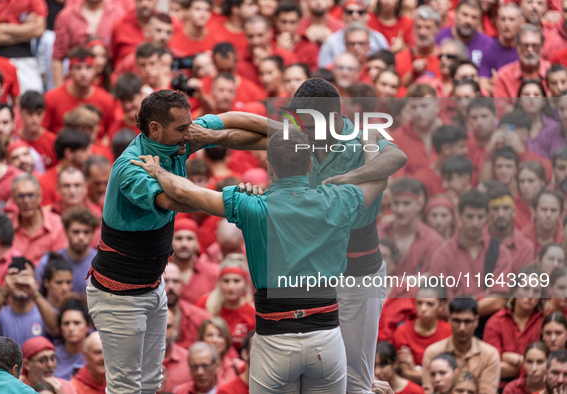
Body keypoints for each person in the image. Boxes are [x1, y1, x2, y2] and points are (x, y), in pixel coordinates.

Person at [133, 77, 407, 393]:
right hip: (318, 278)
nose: (295, 126)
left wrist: (350, 177)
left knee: (358, 381)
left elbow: (395, 159)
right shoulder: (300, 135)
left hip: (359, 268)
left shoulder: (364, 136)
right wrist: (211, 136)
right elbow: (250, 134)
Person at [86, 89, 274, 394]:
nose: (191, 132)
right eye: (183, 128)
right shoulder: (131, 167)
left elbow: (234, 121)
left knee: (151, 382)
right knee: (125, 387)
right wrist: (240, 203)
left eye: (190, 124)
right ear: (155, 129)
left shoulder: (178, 136)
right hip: (118, 295)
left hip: (152, 284)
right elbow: (179, 199)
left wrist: (289, 136)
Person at [422, 298, 501, 394]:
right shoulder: (433, 352)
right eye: (456, 321)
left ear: (476, 321)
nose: (462, 328)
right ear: (449, 319)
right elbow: (429, 391)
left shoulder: (489, 355)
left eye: (467, 322)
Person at [0, 261, 60, 346]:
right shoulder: (0, 313)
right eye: (15, 278)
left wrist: (34, 293)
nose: (21, 282)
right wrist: (5, 291)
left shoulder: (44, 312)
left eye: (26, 277)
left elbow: (56, 328)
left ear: (36, 284)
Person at [483, 266, 545, 380]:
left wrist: (510, 358)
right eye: (526, 289)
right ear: (515, 290)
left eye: (536, 291)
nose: (530, 296)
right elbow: (490, 367)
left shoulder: (544, 322)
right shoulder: (496, 321)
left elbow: (548, 365)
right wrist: (528, 364)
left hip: (535, 386)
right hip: (499, 386)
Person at [0, 0, 46, 93]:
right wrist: (26, 29)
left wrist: (2, 27)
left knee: (34, 96)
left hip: (24, 56)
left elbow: (39, 30)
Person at [42, 46, 115, 136]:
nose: (83, 73)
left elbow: (110, 134)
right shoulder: (51, 99)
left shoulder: (107, 100)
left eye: (88, 68)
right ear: (70, 71)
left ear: (95, 70)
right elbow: (43, 133)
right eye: (78, 68)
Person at [379, 178, 444, 276]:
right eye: (396, 203)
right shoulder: (377, 234)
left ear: (418, 204)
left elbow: (434, 279)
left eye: (406, 203)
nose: (400, 210)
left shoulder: (433, 241)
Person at [51, 0, 124, 87]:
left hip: (107, 82)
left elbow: (121, 56)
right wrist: (60, 91)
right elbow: (58, 57)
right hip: (77, 81)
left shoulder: (117, 15)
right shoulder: (67, 16)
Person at [195, 254, 255, 351]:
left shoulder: (253, 312)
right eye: (226, 281)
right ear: (219, 283)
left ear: (245, 283)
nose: (231, 287)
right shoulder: (203, 303)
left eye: (236, 281)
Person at [394, 286, 451, 384]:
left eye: (430, 304)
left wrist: (415, 368)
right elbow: (405, 373)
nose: (423, 308)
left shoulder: (449, 331)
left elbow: (449, 376)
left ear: (441, 306)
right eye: (419, 303)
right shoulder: (402, 332)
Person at [7, 173, 68, 264]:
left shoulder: (57, 225)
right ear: (14, 199)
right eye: (21, 196)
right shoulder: (7, 225)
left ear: (40, 197)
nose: (26, 201)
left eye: (31, 195)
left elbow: (60, 264)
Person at [36, 208, 99, 295]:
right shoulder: (48, 261)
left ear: (93, 233)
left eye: (86, 232)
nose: (81, 237)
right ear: (66, 231)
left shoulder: (101, 263)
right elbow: (38, 294)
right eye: (76, 232)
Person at [318, 0, 389, 69]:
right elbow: (325, 72)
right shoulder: (331, 42)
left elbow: (387, 68)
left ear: (367, 16)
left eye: (360, 12)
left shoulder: (378, 39)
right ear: (343, 16)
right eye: (350, 12)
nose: (355, 16)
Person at [485, 183, 536, 271]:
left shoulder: (525, 247)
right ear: (488, 213)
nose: (501, 214)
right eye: (495, 209)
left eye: (505, 208)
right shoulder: (478, 241)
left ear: (514, 212)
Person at [493, 24, 551, 99]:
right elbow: (501, 109)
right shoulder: (504, 77)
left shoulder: (552, 73)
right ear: (517, 47)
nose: (530, 50)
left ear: (542, 47)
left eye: (535, 46)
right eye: (525, 45)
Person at [37, 128, 91, 207]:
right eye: (84, 150)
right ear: (68, 153)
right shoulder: (45, 182)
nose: (89, 154)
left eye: (77, 185)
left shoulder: (89, 175)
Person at [165, 262, 212, 350]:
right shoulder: (144, 315)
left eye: (175, 281)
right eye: (165, 281)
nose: (171, 286)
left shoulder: (200, 318)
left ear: (182, 285)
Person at [171, 218, 219, 304]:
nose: (184, 244)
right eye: (179, 238)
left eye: (190, 239)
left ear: (197, 243)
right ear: (170, 242)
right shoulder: (160, 272)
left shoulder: (214, 273)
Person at [414, 125, 468, 198]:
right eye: (461, 146)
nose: (466, 150)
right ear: (446, 149)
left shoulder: (465, 171)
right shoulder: (423, 179)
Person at [435, 0, 493, 68]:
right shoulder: (438, 37)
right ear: (455, 14)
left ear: (479, 20)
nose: (468, 21)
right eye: (464, 15)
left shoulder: (488, 45)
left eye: (474, 17)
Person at [395, 5, 441, 88]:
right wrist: (413, 73)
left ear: (437, 29)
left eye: (428, 27)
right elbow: (398, 90)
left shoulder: (445, 59)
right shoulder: (400, 58)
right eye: (418, 27)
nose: (422, 32)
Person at [478, 4, 521, 86]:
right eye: (503, 19)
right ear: (497, 22)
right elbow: (483, 84)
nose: (507, 24)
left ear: (520, 22)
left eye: (511, 19)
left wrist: (500, 82)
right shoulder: (488, 48)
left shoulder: (527, 48)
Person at [272, 0, 319, 72]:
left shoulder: (309, 46)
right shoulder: (268, 41)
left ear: (299, 22)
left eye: (292, 22)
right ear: (276, 20)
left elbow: (313, 75)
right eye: (283, 22)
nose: (287, 27)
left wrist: (285, 52)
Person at [196, 316, 245, 385]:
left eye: (220, 335)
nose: (215, 340)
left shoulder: (238, 366)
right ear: (202, 338)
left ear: (226, 340)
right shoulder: (192, 366)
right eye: (210, 335)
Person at [17, 91, 56, 170]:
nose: (34, 119)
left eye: (38, 113)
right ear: (20, 112)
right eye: (30, 113)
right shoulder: (15, 140)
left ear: (44, 113)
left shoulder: (53, 141)